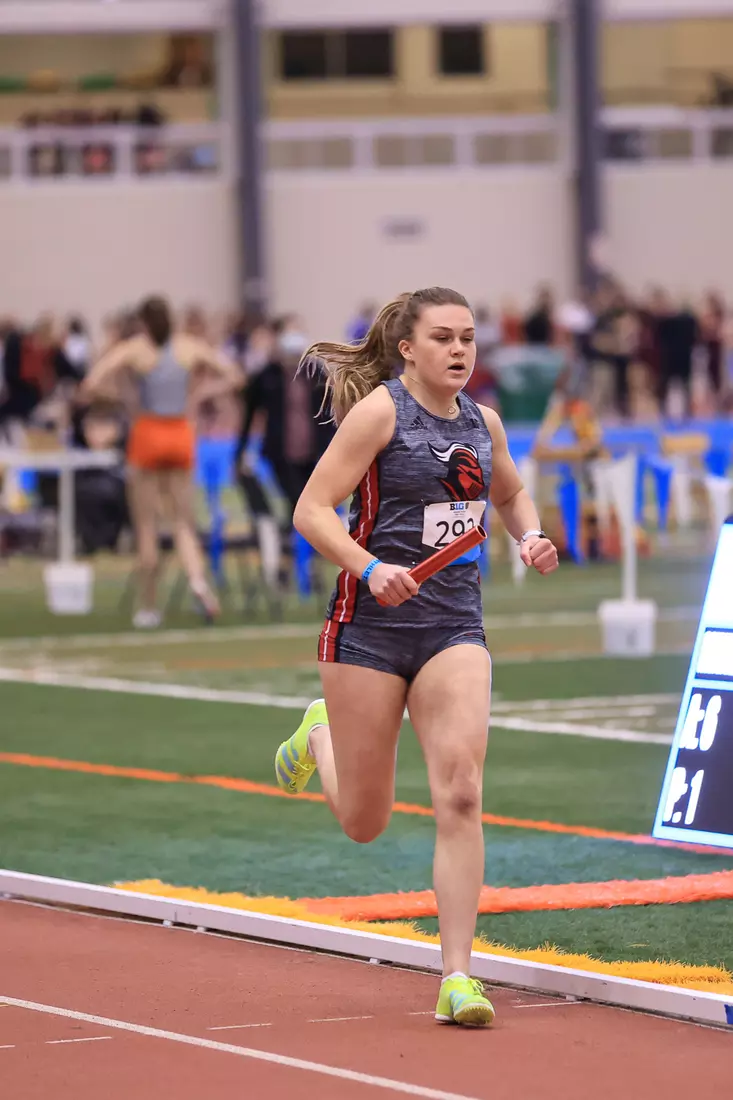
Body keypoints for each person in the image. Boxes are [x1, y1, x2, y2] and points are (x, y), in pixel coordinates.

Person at [274, 287, 559, 1027]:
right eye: (442, 338)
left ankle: (458, 976)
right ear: (408, 348)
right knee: (364, 822)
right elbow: (310, 509)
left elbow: (510, 492)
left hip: (451, 628)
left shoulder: (481, 422)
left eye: (468, 338)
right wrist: (368, 568)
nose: (459, 350)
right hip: (367, 629)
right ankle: (319, 736)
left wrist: (527, 535)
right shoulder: (379, 414)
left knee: (460, 791)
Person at [80, 295, 239, 628]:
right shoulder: (188, 347)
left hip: (148, 432)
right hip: (180, 432)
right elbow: (235, 376)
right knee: (183, 522)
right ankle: (198, 582)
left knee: (147, 524)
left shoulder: (136, 349)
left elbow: (92, 381)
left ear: (143, 322)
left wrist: (125, 398)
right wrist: (199, 394)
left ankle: (149, 606)